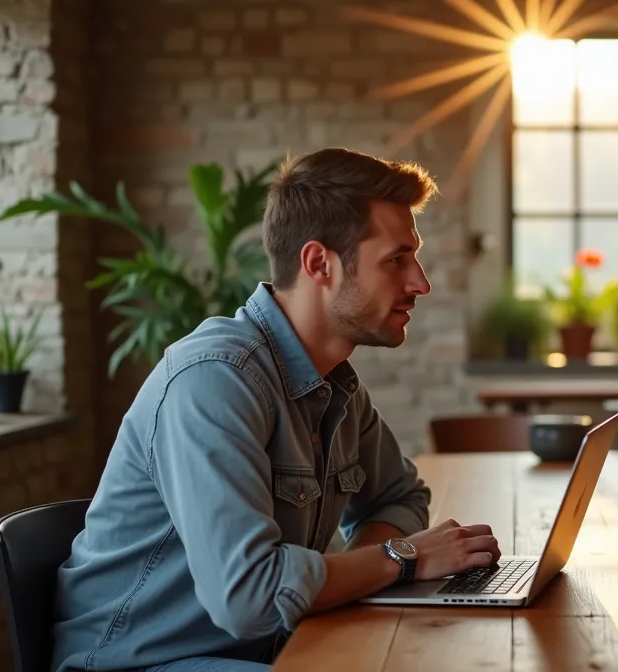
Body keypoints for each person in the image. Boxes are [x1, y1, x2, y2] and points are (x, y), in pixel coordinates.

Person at [52, 148, 502, 672]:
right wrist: (403, 559)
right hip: (139, 663)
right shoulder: (214, 380)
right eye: (396, 260)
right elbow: (250, 597)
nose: (420, 282)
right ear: (319, 264)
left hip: (264, 651)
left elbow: (399, 497)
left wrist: (372, 572)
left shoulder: (335, 386)